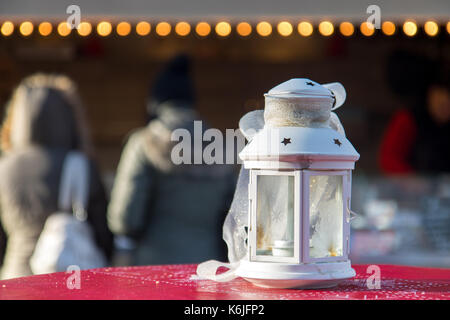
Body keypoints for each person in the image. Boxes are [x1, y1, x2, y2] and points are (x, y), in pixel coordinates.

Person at [107, 54, 235, 265]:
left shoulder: (142, 143)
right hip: (210, 269)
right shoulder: (218, 146)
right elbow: (235, 217)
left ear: (155, 102)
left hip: (153, 270)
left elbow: (124, 219)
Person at [0, 74, 113, 279]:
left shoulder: (5, 167)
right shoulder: (81, 165)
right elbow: (103, 234)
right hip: (68, 278)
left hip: (15, 277)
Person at [379, 52, 450, 175]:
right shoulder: (408, 119)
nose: (445, 101)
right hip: (415, 191)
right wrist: (414, 182)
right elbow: (389, 159)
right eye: (440, 94)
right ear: (428, 94)